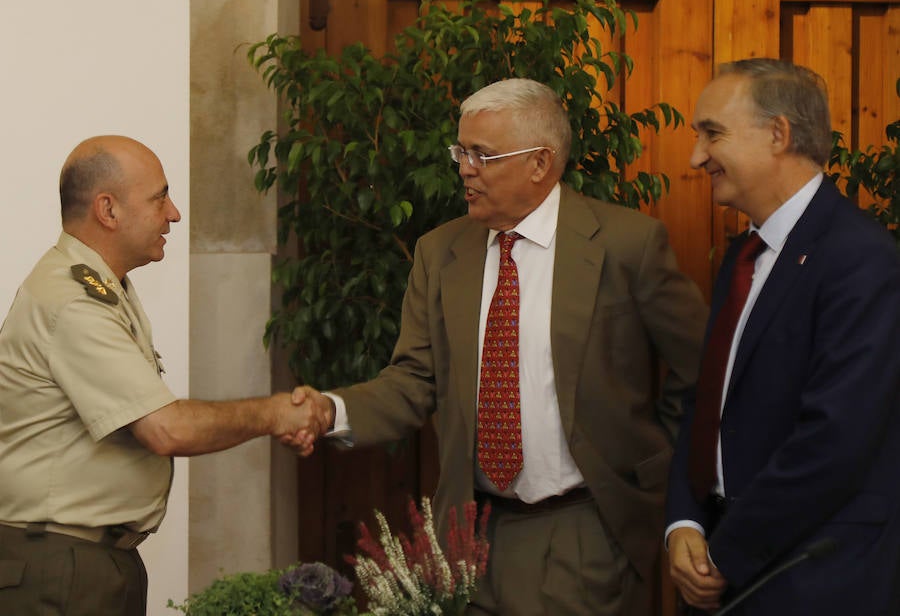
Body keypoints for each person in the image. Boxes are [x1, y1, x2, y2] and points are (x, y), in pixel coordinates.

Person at [290, 78, 709, 615]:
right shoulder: (439, 252)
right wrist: (333, 411)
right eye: (461, 152)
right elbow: (413, 380)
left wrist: (653, 459)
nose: (465, 168)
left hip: (586, 527)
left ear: (540, 162)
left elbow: (701, 370)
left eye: (482, 155)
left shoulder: (628, 245)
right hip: (469, 531)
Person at [0, 135, 325, 616]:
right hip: (60, 570)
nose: (173, 213)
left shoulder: (104, 286)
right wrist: (277, 412)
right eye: (159, 197)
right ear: (108, 210)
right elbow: (165, 428)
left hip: (87, 562)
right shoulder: (72, 299)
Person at [665, 59, 900, 615]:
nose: (696, 156)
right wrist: (684, 521)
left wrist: (723, 555)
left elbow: (834, 441)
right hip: (724, 567)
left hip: (812, 580)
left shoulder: (861, 259)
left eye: (712, 134)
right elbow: (706, 405)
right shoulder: (744, 256)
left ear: (778, 134)